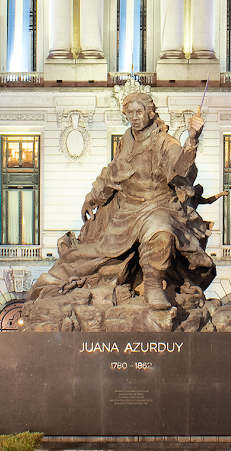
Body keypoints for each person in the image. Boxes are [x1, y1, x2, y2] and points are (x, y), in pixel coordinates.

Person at [25, 89, 212, 310]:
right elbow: (113, 173)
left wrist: (191, 140)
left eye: (138, 111)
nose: (134, 117)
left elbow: (180, 170)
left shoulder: (165, 142)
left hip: (159, 206)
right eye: (129, 112)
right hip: (128, 212)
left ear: (150, 113)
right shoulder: (126, 141)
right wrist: (92, 197)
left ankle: (153, 286)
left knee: (161, 231)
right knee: (100, 256)